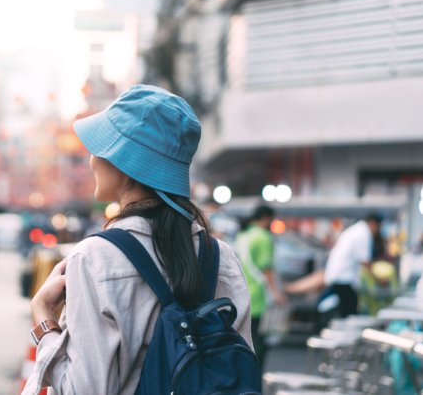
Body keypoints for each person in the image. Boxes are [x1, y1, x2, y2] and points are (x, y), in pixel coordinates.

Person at [22, 85, 252, 395]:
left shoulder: (96, 258)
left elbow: (81, 391)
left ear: (124, 162)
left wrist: (44, 319)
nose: (91, 160)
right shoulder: (221, 257)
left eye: (100, 148)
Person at [235, 204, 285, 371]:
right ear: (266, 218)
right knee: (260, 342)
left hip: (242, 294)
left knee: (245, 340)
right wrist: (277, 293)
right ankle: (255, 376)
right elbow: (267, 269)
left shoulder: (243, 235)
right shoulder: (263, 237)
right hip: (260, 297)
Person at [322, 213, 383, 317]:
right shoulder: (363, 233)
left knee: (346, 310)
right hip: (343, 278)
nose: (377, 232)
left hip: (338, 276)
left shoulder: (356, 230)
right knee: (350, 312)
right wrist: (379, 280)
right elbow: (365, 262)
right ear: (373, 224)